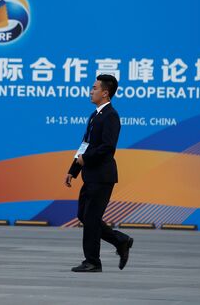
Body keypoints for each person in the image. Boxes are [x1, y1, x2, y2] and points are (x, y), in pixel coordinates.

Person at [64, 74, 133, 272]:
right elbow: (85, 145)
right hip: (91, 175)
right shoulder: (95, 115)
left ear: (105, 92)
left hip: (102, 176)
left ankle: (93, 261)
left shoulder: (111, 116)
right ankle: (121, 240)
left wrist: (86, 159)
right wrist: (73, 169)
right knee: (85, 216)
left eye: (94, 88)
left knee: (91, 218)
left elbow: (108, 147)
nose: (91, 91)